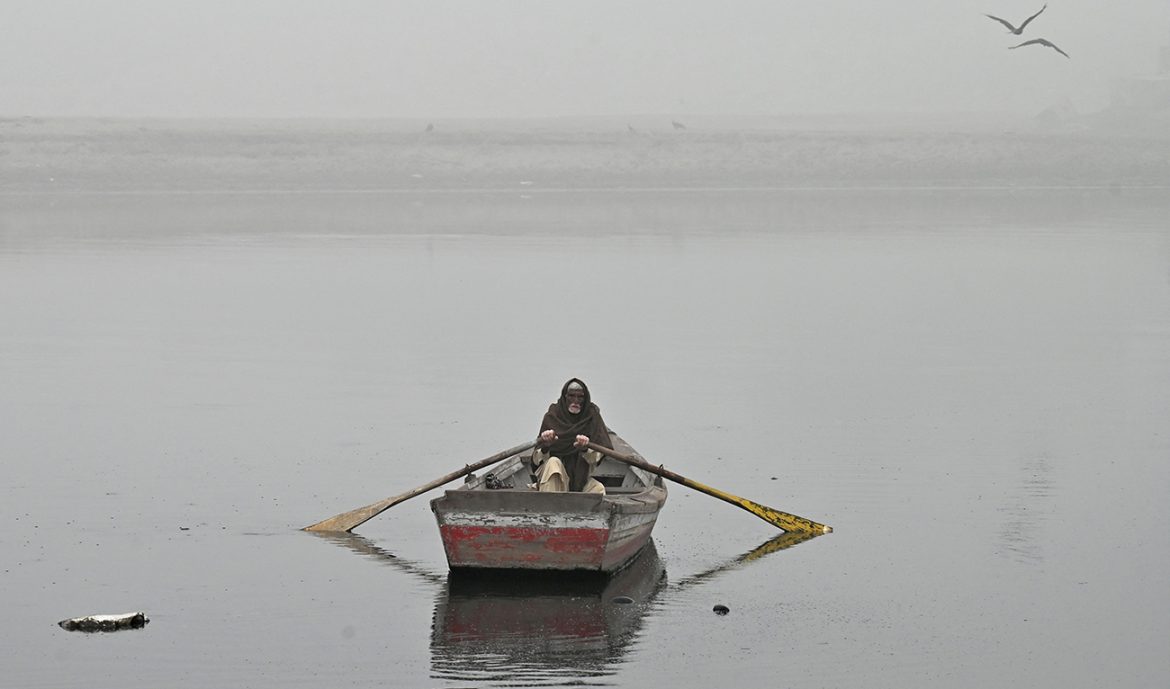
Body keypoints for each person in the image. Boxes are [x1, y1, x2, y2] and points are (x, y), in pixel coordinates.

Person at [531, 378, 614, 494]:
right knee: (553, 464)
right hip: (553, 480)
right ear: (565, 397)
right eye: (571, 396)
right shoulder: (553, 416)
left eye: (580, 397)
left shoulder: (591, 417)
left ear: (585, 400)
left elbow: (597, 458)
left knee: (598, 490)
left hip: (579, 480)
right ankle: (548, 507)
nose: (575, 401)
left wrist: (585, 449)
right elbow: (536, 461)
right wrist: (546, 446)